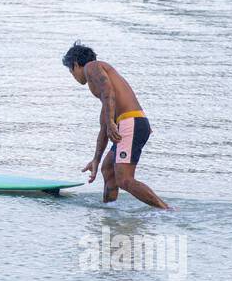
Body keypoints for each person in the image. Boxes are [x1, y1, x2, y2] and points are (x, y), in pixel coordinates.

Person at [62, 42, 171, 210]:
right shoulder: (103, 95)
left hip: (131, 122)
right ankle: (111, 212)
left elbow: (108, 92)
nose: (73, 76)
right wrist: (95, 160)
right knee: (108, 168)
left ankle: (168, 210)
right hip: (132, 124)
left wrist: (112, 123)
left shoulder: (92, 67)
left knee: (124, 180)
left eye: (71, 71)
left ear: (76, 64)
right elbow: (104, 128)